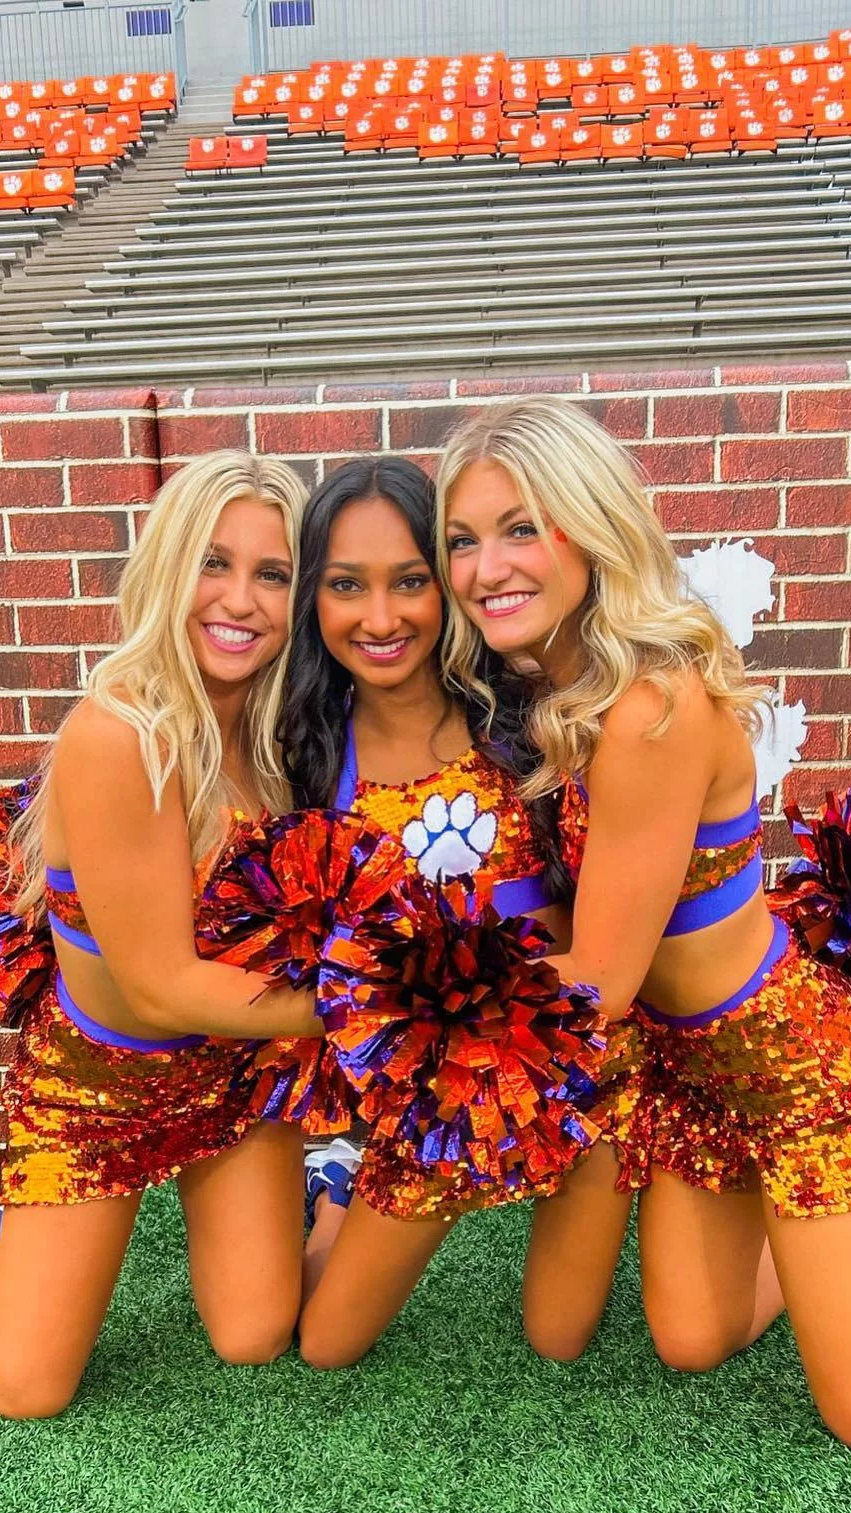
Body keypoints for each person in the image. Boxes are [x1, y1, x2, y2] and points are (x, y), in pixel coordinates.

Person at [435, 396, 851, 1453]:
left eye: (521, 527)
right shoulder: (557, 692)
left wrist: (388, 1001)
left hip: (797, 1074)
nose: (484, 568)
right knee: (691, 1342)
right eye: (463, 541)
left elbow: (597, 984)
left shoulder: (650, 707)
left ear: (590, 527)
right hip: (693, 1075)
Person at [0, 450, 318, 1417]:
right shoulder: (116, 732)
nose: (242, 599)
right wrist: (393, 1012)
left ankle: (319, 1173)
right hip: (102, 1077)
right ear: (165, 568)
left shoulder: (288, 733)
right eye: (213, 563)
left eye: (274, 574)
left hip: (234, 1065)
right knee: (23, 1391)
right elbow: (158, 989)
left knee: (257, 1335)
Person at [276, 454, 643, 1370]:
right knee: (324, 1344)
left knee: (559, 1340)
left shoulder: (536, 717)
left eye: (411, 582)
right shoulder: (305, 756)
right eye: (345, 586)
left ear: (449, 587)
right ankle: (336, 1187)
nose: (381, 617)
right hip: (433, 1107)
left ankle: (825, 1219)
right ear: (312, 603)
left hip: (581, 1083)